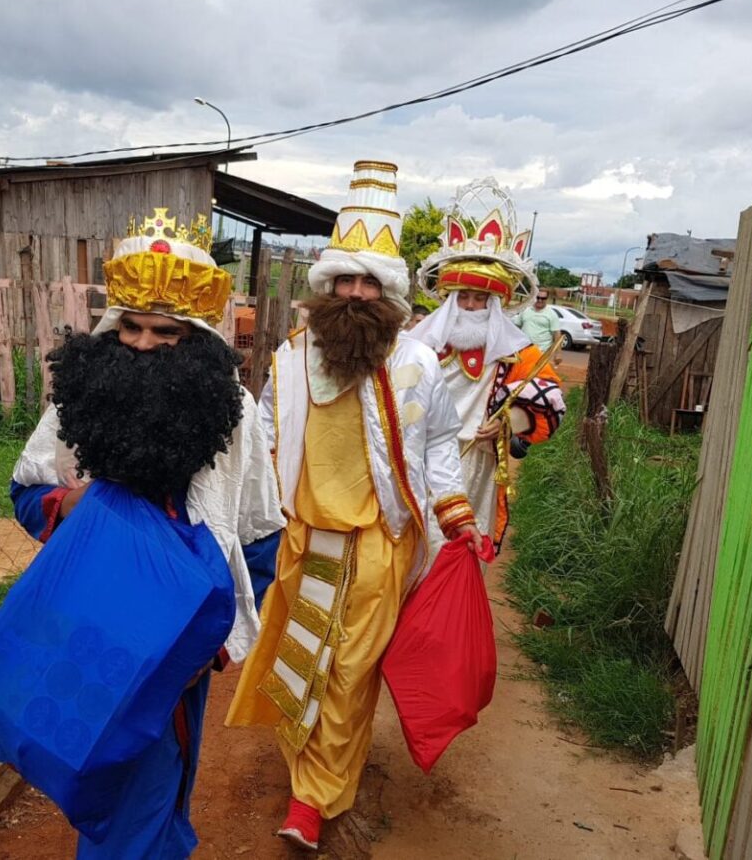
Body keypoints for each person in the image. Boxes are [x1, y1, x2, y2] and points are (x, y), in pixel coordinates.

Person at [7, 208, 286, 859]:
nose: (140, 343)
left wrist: (217, 636)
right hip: (92, 631)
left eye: (164, 331)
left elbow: (257, 529)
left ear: (192, 336)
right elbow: (26, 492)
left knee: (157, 785)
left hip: (180, 645)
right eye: (129, 325)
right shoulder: (81, 398)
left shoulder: (234, 411)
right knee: (105, 780)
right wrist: (66, 505)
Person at [226, 161, 482, 851]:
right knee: (297, 667)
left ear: (390, 292)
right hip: (306, 539)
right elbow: (269, 442)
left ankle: (313, 801)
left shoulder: (416, 365)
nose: (358, 292)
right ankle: (304, 773)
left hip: (379, 544)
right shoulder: (292, 358)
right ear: (327, 284)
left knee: (347, 672)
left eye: (372, 282)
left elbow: (436, 453)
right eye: (348, 279)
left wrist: (455, 511)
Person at [410, 179, 566, 555]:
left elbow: (552, 401)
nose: (470, 305)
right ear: (449, 299)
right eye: (462, 296)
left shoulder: (517, 351)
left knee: (456, 551)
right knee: (409, 551)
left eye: (480, 298)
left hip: (475, 464)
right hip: (417, 458)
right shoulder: (418, 342)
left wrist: (509, 422)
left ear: (494, 303)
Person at [514, 288, 560, 353]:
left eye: (543, 298)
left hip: (541, 353)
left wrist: (558, 354)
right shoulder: (525, 310)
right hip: (523, 350)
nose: (540, 300)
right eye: (537, 297)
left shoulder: (552, 314)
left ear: (547, 299)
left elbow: (556, 335)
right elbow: (516, 328)